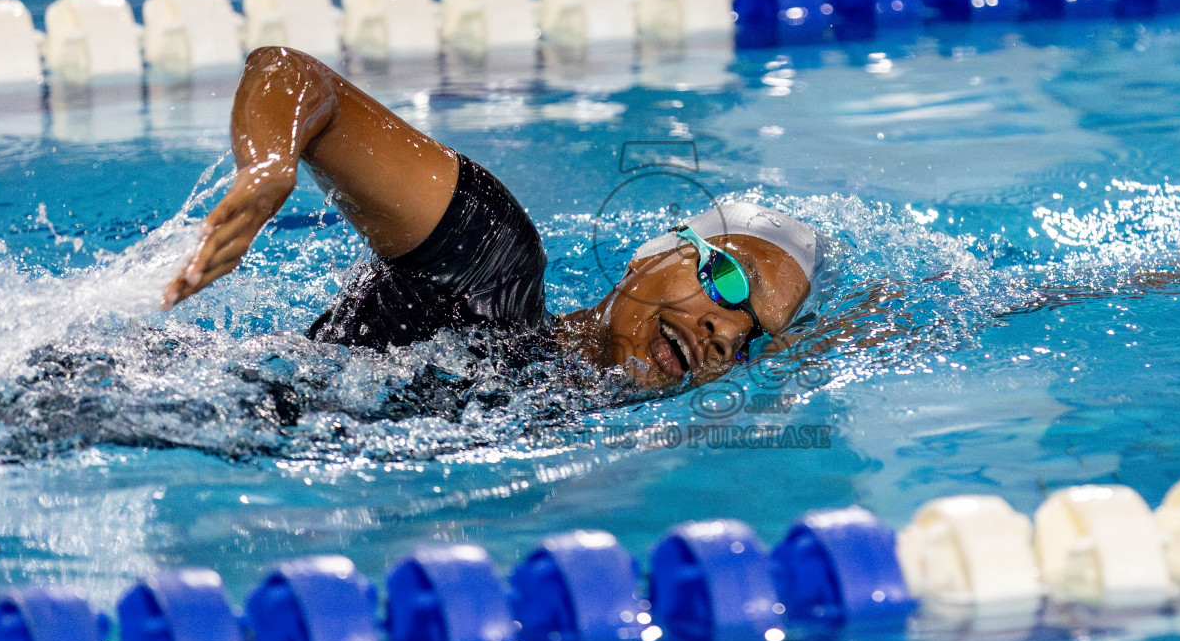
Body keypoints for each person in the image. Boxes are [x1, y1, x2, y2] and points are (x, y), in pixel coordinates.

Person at [162, 47, 818, 390]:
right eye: (727, 281)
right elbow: (295, 76)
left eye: (751, 336)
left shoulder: (586, 415)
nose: (725, 332)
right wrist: (269, 165)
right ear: (654, 253)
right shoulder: (491, 267)